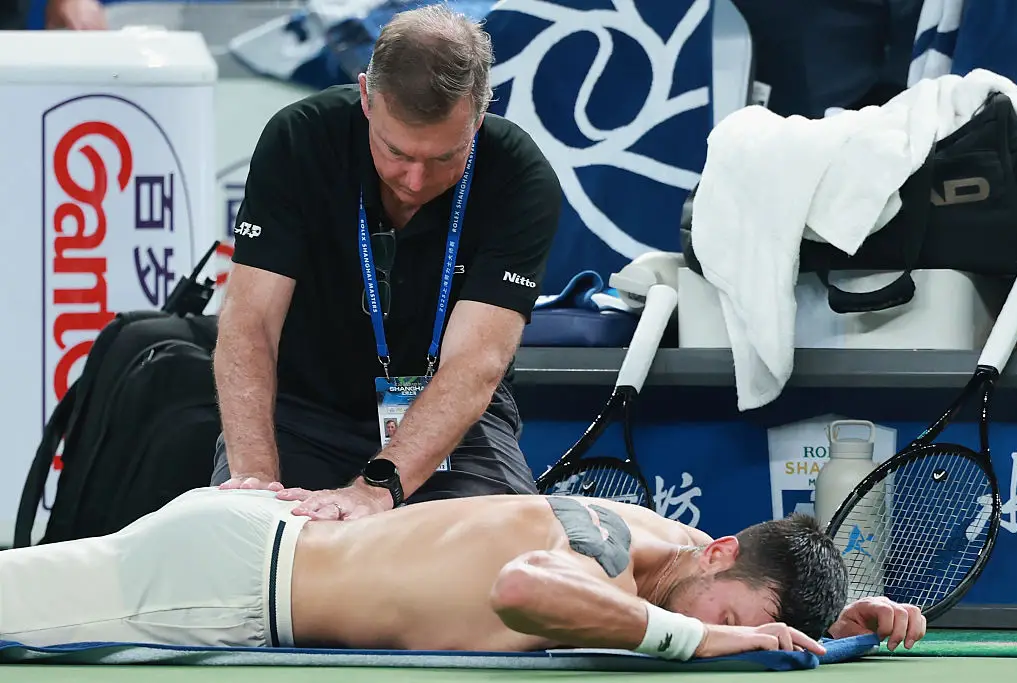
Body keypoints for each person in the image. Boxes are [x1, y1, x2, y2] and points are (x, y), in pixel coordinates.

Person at [212, 3, 562, 522]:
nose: (414, 181)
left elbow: (475, 365)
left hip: (451, 417)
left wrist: (376, 490)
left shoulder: (520, 177)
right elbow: (249, 323)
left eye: (444, 157)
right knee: (247, 537)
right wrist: (257, 481)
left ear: (480, 113)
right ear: (365, 100)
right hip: (300, 409)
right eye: (395, 152)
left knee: (503, 555)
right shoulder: (300, 140)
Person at [0, 487, 926, 658]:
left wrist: (844, 614)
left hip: (257, 545)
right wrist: (710, 633)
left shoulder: (679, 551)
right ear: (718, 552)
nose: (730, 636)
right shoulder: (601, 548)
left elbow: (738, 593)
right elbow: (520, 590)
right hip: (230, 584)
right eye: (727, 614)